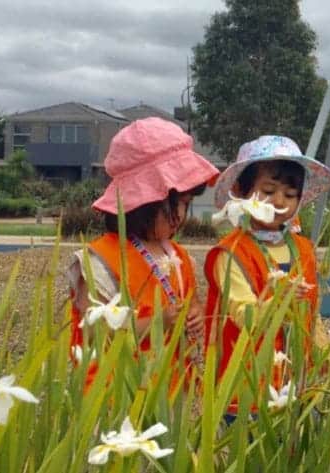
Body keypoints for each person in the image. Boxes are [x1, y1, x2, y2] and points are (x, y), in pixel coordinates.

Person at [67, 117, 219, 389]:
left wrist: (195, 313)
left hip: (169, 390)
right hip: (114, 394)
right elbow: (93, 331)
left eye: (187, 204)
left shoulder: (179, 256)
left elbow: (191, 299)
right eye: (176, 206)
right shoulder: (98, 261)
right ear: (142, 204)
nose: (182, 216)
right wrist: (157, 322)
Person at [204, 135, 330, 414]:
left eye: (289, 195)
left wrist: (326, 352)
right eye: (268, 191)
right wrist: (279, 300)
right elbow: (244, 316)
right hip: (249, 383)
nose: (279, 201)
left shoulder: (303, 248)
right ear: (240, 191)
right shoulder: (231, 253)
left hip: (300, 381)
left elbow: (311, 314)